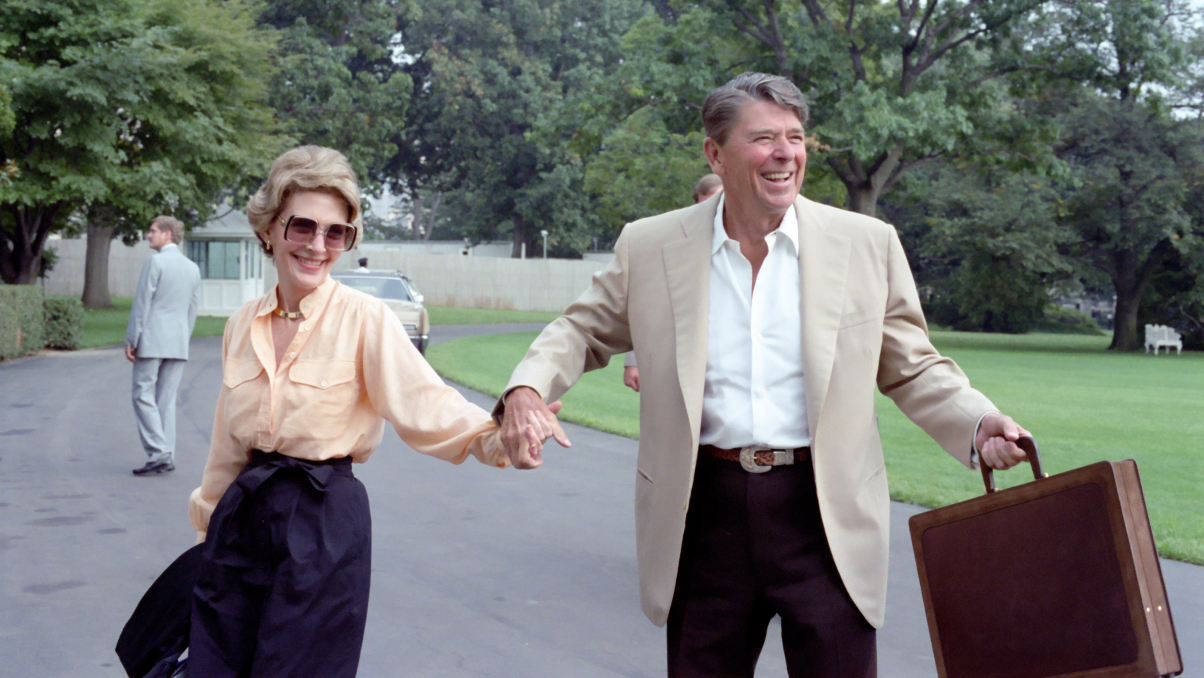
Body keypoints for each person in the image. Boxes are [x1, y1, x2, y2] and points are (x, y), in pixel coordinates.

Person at [495, 72, 1032, 677]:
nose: (785, 154)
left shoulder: (866, 244)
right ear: (714, 154)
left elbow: (912, 365)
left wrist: (979, 420)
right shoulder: (651, 246)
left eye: (795, 137)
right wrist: (526, 389)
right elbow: (581, 329)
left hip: (825, 516)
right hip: (703, 514)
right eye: (763, 138)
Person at [186, 145, 512, 678]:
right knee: (216, 664)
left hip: (323, 526)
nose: (318, 245)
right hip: (241, 521)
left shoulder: (365, 319)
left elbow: (426, 401)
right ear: (269, 228)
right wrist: (207, 530)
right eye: (303, 227)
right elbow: (227, 443)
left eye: (336, 232)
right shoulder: (242, 323)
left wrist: (499, 439)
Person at [623, 173, 724, 392]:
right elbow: (646, 304)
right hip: (678, 366)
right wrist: (633, 360)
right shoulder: (675, 249)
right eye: (705, 206)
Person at [125, 216, 201, 476]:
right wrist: (184, 337)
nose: (149, 235)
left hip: (152, 339)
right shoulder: (192, 267)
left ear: (167, 234)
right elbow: (193, 308)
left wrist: (132, 339)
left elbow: (142, 303)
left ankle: (158, 452)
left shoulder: (155, 262)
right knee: (165, 400)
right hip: (178, 341)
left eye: (153, 231)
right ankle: (166, 453)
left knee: (141, 394)